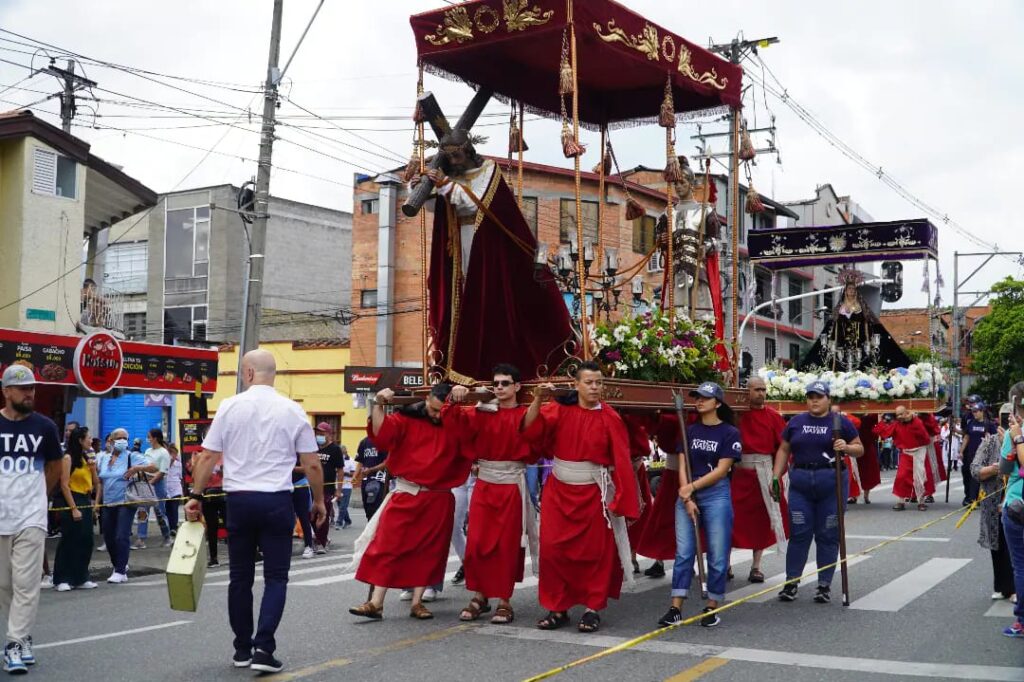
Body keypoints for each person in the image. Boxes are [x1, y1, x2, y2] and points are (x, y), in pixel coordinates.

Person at [184, 349, 325, 674]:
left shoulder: (230, 407)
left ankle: (241, 649)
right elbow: (312, 463)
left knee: (240, 578)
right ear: (272, 374)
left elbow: (207, 457)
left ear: (247, 374)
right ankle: (265, 647)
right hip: (276, 501)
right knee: (276, 577)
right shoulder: (292, 410)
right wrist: (318, 501)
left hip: (239, 501)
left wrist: (196, 495)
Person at [522, 361, 640, 634]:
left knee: (595, 554)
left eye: (599, 382)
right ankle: (557, 607)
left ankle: (592, 608)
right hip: (559, 491)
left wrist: (622, 499)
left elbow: (621, 460)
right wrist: (538, 400)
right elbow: (530, 429)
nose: (595, 387)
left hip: (593, 494)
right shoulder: (559, 410)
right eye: (589, 382)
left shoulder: (610, 417)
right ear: (576, 384)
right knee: (552, 550)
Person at [348, 383, 471, 621]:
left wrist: (459, 397)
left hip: (438, 496)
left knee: (429, 551)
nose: (437, 415)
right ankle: (375, 602)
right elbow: (382, 436)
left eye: (441, 411)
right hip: (407, 492)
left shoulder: (456, 422)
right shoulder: (405, 419)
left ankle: (418, 602)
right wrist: (378, 403)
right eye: (434, 409)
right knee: (387, 546)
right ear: (426, 400)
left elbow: (468, 439)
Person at [445, 364, 537, 625]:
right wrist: (455, 398)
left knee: (507, 546)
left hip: (511, 485)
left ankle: (505, 600)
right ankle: (479, 595)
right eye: (496, 383)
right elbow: (456, 427)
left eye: (505, 383)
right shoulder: (482, 412)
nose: (499, 387)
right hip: (485, 484)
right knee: (478, 544)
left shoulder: (526, 414)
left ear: (518, 386)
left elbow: (538, 442)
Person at [657, 382, 740, 628]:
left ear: (717, 403)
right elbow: (682, 466)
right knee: (684, 552)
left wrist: (691, 489)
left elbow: (723, 470)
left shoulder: (729, 433)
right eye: (697, 397)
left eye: (705, 398)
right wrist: (686, 497)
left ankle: (712, 605)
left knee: (717, 553)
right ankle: (675, 607)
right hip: (688, 493)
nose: (699, 401)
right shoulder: (689, 430)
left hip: (716, 494)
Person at [773, 381, 863, 604]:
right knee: (799, 533)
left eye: (819, 396)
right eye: (810, 396)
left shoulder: (840, 422)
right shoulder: (796, 422)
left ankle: (824, 585)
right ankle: (791, 582)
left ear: (828, 399)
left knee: (828, 535)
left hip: (831, 486)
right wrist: (775, 476)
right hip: (801, 485)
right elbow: (784, 449)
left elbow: (859, 448)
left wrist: (847, 447)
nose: (814, 400)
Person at [0, 365, 63, 674]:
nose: (30, 393)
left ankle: (13, 644)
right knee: (4, 583)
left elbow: (54, 465)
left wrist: (41, 498)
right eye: (23, 388)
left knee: (27, 583)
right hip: (0, 517)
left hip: (31, 516)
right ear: (7, 391)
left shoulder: (45, 427)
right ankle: (23, 635)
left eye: (32, 388)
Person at [731, 377, 788, 583]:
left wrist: (776, 475)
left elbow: (783, 447)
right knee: (731, 520)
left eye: (763, 389)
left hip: (763, 474)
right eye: (756, 389)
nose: (761, 393)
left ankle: (756, 566)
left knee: (761, 522)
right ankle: (726, 564)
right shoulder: (735, 414)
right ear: (747, 391)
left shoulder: (773, 416)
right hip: (739, 474)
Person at [800, 268, 910, 372]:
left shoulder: (862, 308)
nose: (851, 291)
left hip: (859, 344)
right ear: (845, 290)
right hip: (841, 346)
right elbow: (833, 327)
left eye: (853, 289)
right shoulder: (839, 309)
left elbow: (869, 325)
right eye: (849, 289)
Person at [53, 426, 99, 592]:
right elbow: (64, 485)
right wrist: (73, 508)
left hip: (85, 499)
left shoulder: (87, 458)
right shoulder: (68, 458)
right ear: (80, 440)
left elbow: (95, 482)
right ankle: (61, 578)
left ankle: (81, 576)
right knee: (70, 539)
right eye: (88, 437)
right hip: (72, 499)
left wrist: (95, 501)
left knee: (86, 539)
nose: (91, 440)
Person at [972, 426, 1015, 601]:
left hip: (1016, 502)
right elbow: (975, 469)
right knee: (997, 545)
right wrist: (992, 469)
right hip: (993, 502)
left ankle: (1015, 589)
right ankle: (1001, 586)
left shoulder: (1019, 440)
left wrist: (1012, 444)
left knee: (1014, 547)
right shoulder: (990, 442)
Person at [95, 428, 140, 584]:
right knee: (109, 537)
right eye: (119, 438)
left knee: (122, 535)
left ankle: (120, 571)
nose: (122, 440)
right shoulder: (104, 458)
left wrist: (136, 468)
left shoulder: (131, 456)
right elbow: (101, 482)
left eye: (125, 438)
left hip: (126, 501)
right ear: (111, 441)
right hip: (108, 502)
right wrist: (96, 502)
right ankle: (119, 565)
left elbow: (154, 467)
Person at [874, 407, 932, 511]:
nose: (900, 417)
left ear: (907, 413)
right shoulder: (896, 424)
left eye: (902, 414)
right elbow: (885, 433)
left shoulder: (916, 421)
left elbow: (924, 435)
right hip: (906, 453)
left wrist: (912, 419)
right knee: (901, 476)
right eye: (898, 415)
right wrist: (880, 420)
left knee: (920, 477)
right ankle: (901, 501)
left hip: (919, 453)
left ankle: (921, 501)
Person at [1000, 408, 1024, 637]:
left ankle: (1022, 621)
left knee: (1021, 564)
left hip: (1018, 503)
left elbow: (1005, 468)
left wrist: (1015, 438)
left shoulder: (1015, 433)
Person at [134, 428, 171, 549]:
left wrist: (152, 482)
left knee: (160, 511)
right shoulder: (148, 450)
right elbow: (144, 465)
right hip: (145, 481)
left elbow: (162, 471)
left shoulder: (164, 452)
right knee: (142, 510)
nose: (148, 439)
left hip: (157, 484)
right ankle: (141, 538)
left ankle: (167, 536)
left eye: (149, 437)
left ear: (155, 438)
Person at [312, 423, 345, 552]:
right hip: (312, 486)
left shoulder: (335, 449)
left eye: (322, 433)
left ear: (329, 434)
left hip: (327, 488)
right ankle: (316, 538)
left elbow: (340, 470)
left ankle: (321, 542)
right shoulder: (313, 448)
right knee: (311, 515)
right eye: (317, 433)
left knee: (323, 513)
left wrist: (339, 490)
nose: (319, 436)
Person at [961, 402, 996, 506]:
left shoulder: (989, 424)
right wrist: (961, 451)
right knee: (968, 476)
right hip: (971, 454)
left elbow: (995, 439)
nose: (974, 414)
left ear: (982, 412)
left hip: (983, 455)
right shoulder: (971, 423)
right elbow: (966, 437)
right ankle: (970, 497)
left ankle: (974, 498)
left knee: (978, 477)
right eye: (973, 412)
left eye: (976, 412)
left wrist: (989, 439)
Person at [354, 435, 388, 521]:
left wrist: (371, 469)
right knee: (368, 510)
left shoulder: (384, 441)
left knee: (377, 510)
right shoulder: (364, 442)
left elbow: (387, 462)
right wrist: (355, 476)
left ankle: (377, 531)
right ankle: (371, 529)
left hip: (379, 480)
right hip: (365, 481)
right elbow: (360, 462)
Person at [291, 454, 316, 559]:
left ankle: (308, 546)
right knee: (287, 519)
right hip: (284, 487)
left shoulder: (300, 452)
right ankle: (285, 546)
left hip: (301, 487)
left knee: (304, 517)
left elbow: (307, 468)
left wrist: (291, 468)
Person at [164, 443, 183, 535]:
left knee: (174, 508)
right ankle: (170, 526)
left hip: (176, 489)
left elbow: (180, 476)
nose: (173, 456)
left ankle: (174, 527)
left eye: (175, 454)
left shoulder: (179, 464)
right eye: (171, 453)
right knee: (167, 509)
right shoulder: (165, 463)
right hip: (166, 488)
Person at [335, 453, 355, 530]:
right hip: (337, 486)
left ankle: (339, 522)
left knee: (343, 505)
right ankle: (348, 520)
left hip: (347, 486)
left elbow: (353, 474)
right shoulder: (337, 460)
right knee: (340, 505)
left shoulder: (351, 461)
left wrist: (344, 473)